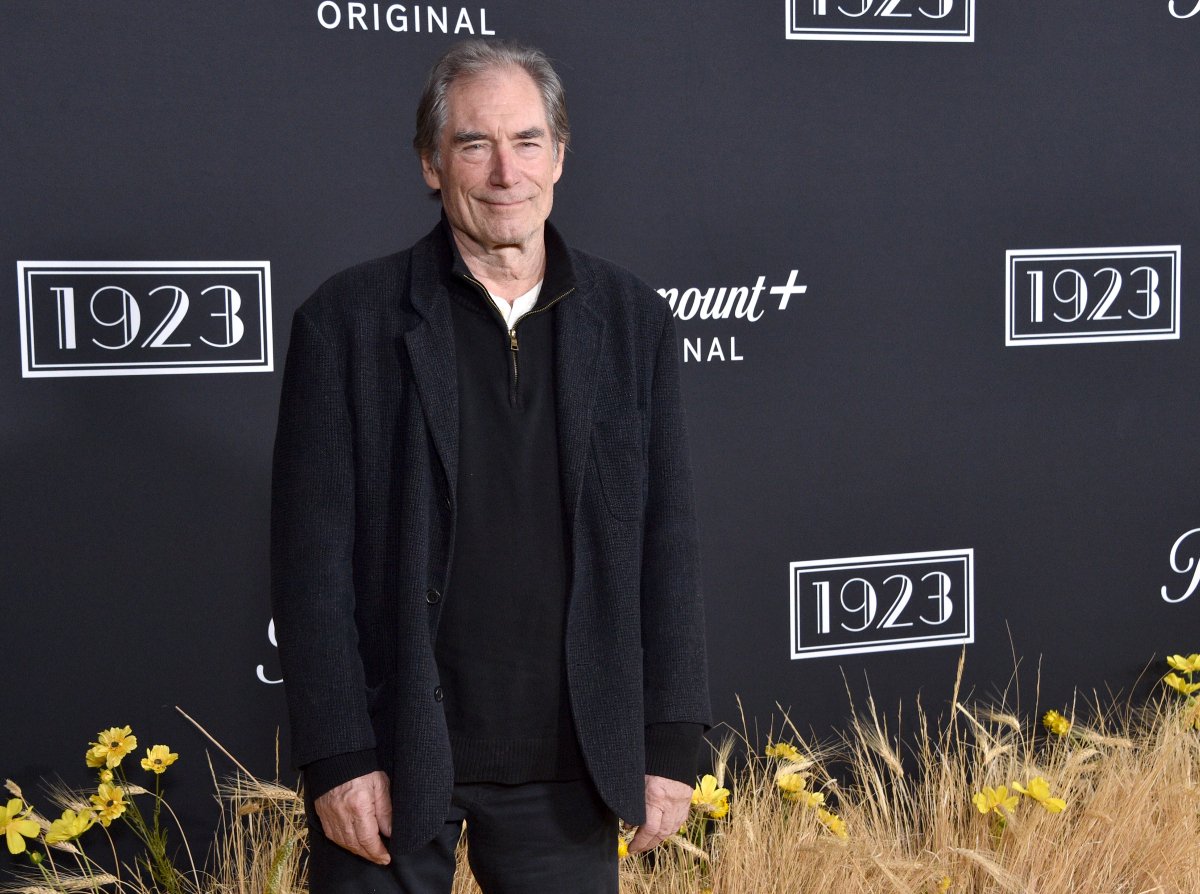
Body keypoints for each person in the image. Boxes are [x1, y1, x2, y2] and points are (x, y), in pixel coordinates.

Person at [270, 38, 709, 893]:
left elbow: (668, 540)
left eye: (528, 141)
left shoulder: (632, 322)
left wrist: (669, 741)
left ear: (560, 154)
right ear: (433, 166)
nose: (506, 171)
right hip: (395, 757)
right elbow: (310, 560)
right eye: (475, 144)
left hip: (569, 759)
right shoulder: (346, 321)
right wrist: (338, 753)